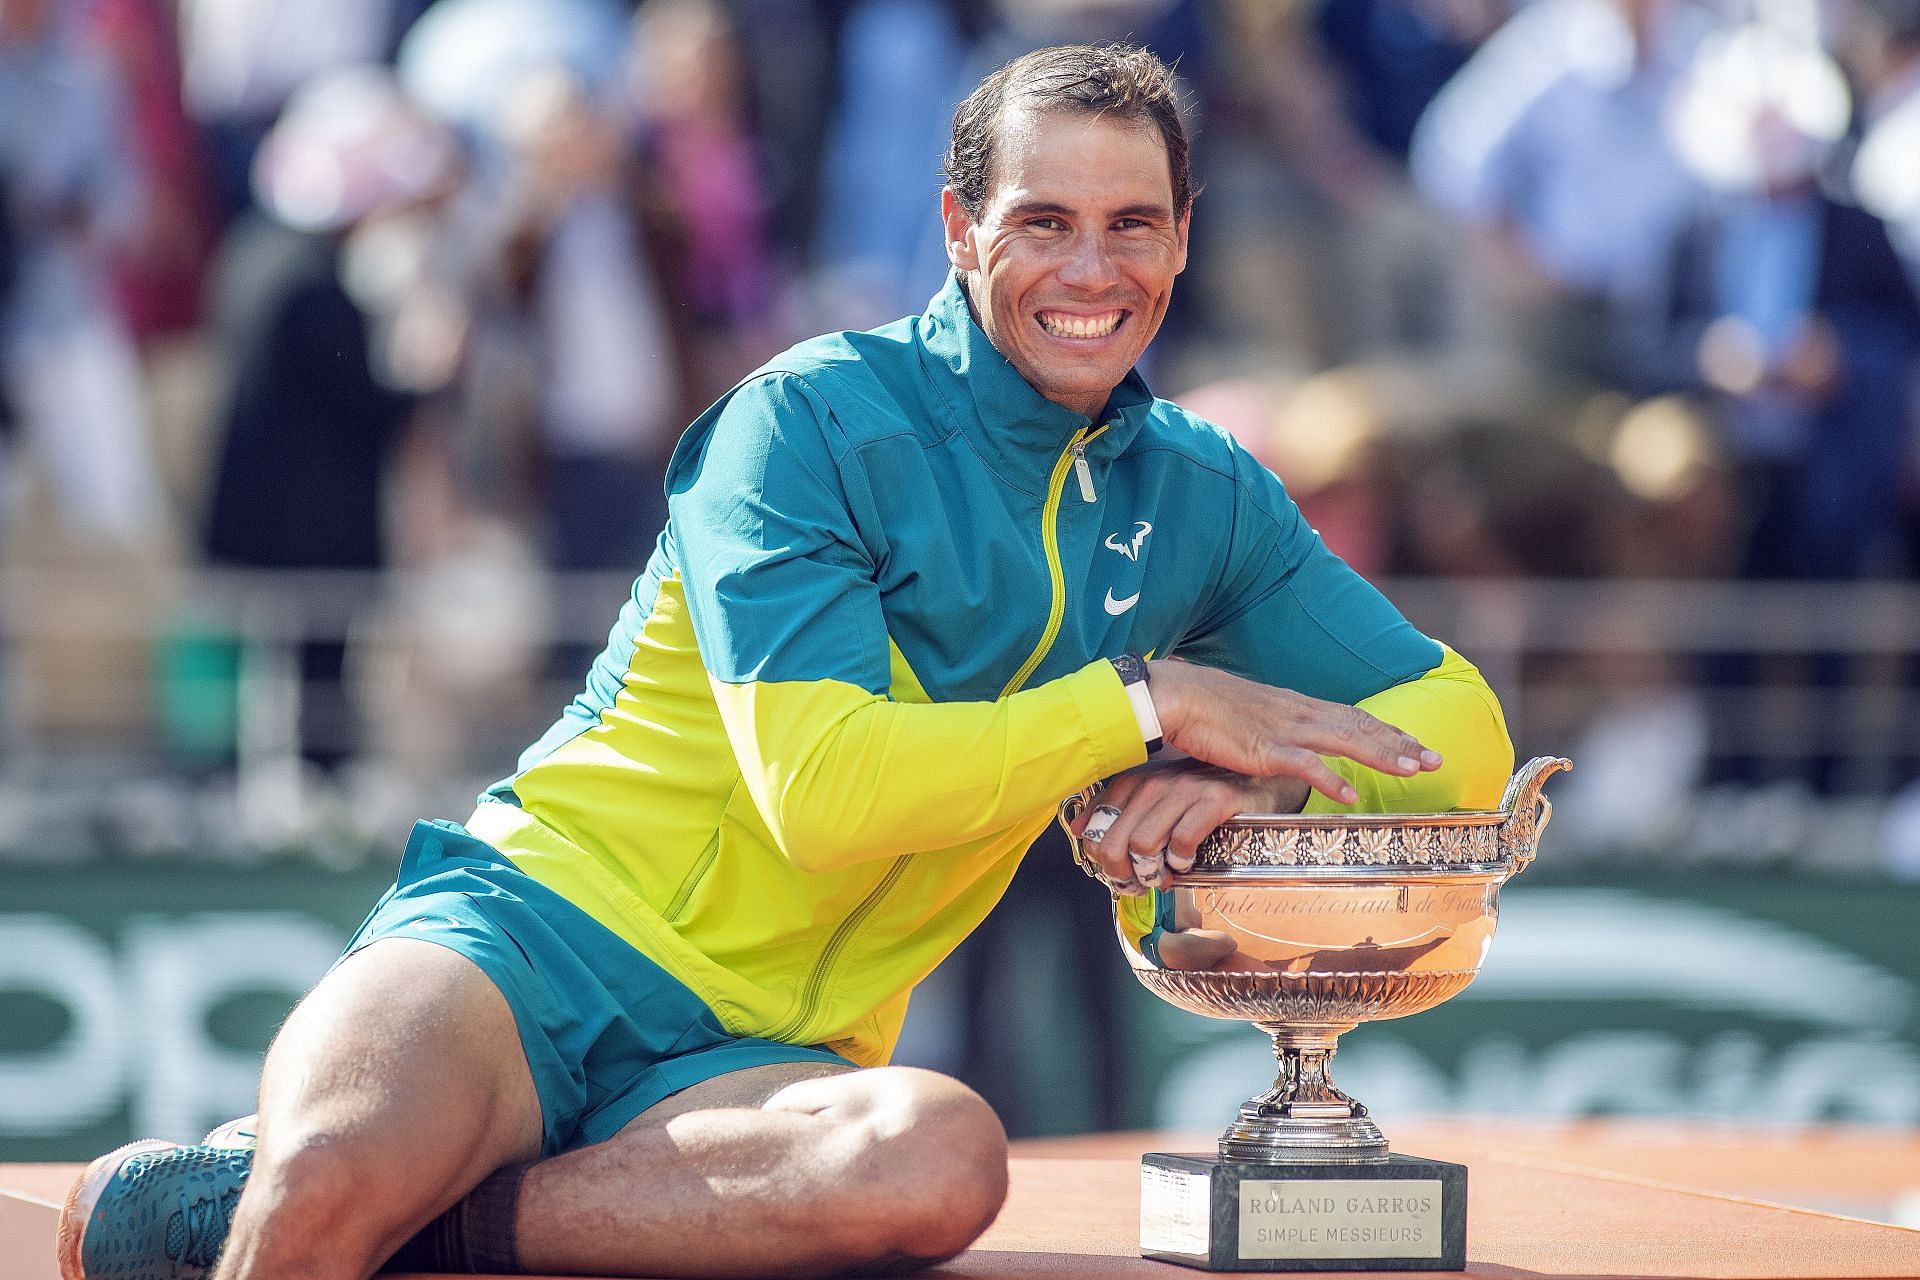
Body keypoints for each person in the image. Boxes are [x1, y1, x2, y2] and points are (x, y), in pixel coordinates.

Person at [58, 43, 1513, 1280]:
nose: (1092, 268)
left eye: (1133, 224)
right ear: (958, 226)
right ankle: (340, 1194)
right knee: (314, 1193)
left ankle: (429, 1220)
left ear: (1185, 236)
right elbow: (822, 790)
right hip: (534, 933)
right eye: (1044, 220)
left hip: (767, 1052)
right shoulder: (805, 420)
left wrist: (1259, 797)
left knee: (936, 1160)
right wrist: (1142, 704)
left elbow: (1462, 728)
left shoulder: (1203, 490)